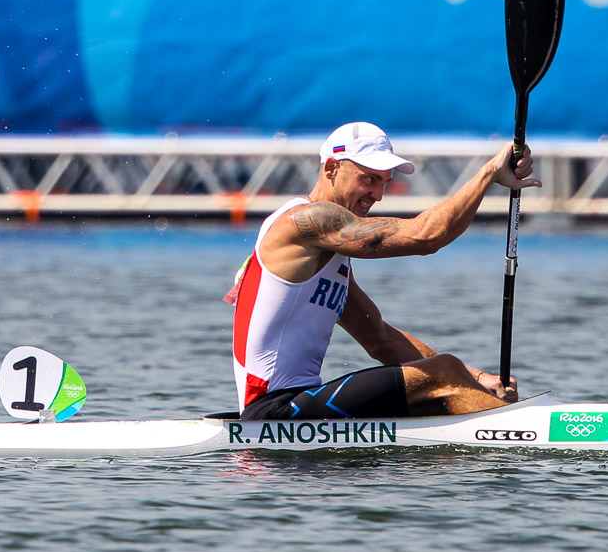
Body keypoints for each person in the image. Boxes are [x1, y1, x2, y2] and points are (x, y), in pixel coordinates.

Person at [225, 121, 540, 420]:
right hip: (272, 410)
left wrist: (479, 379)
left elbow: (380, 339)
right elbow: (427, 236)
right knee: (444, 372)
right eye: (369, 179)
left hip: (300, 405)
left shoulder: (325, 254)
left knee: (438, 395)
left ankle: (499, 428)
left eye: (384, 183)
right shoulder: (308, 221)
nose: (378, 195)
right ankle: (521, 434)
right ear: (332, 169)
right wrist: (488, 174)